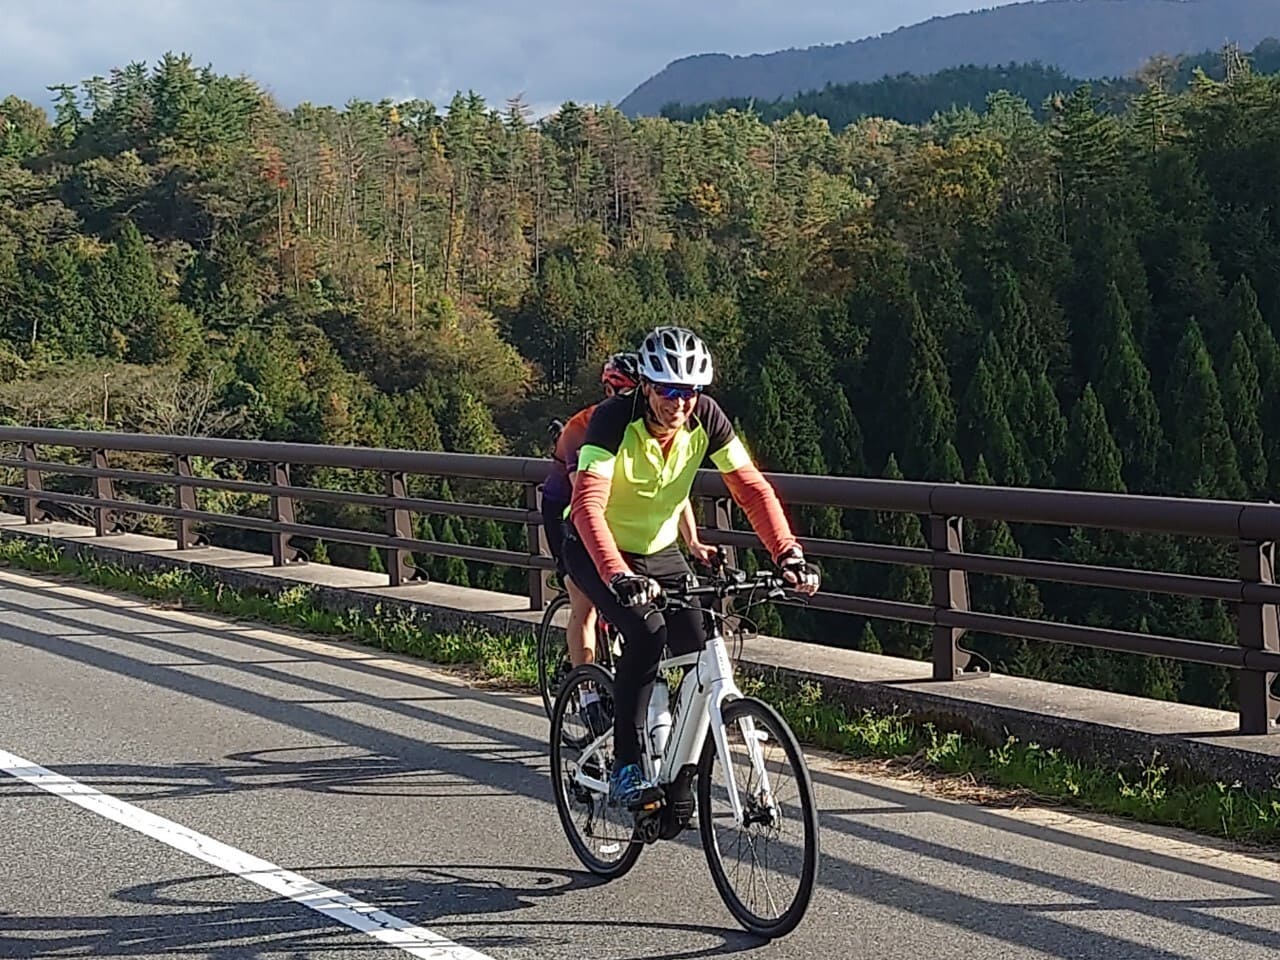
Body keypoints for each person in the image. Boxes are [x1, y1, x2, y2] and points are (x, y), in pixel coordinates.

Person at [563, 326, 821, 807]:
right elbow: (588, 505)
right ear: (645, 385)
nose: (679, 404)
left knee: (698, 639)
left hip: (659, 548)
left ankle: (676, 755)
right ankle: (625, 765)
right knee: (646, 632)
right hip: (597, 546)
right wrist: (618, 574)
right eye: (668, 390)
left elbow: (750, 488)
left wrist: (787, 553)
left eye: (690, 392)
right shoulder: (613, 420)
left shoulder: (707, 418)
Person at [541, 354, 713, 675]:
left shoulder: (649, 428)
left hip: (617, 519)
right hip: (566, 510)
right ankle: (588, 690)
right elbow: (587, 501)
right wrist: (617, 568)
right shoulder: (587, 426)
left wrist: (693, 542)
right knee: (585, 600)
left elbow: (670, 495)